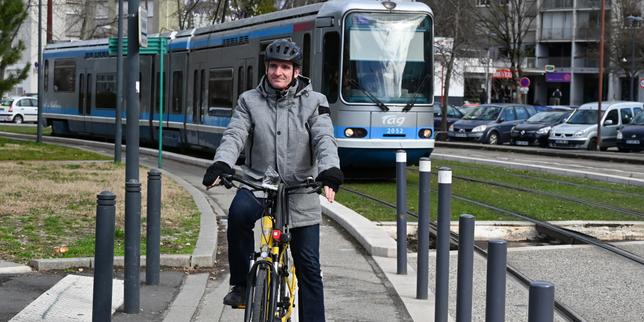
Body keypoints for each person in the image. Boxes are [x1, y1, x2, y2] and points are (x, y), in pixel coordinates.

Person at [202, 39, 342, 322]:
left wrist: (329, 170)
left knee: (309, 267)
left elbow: (324, 139)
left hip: (300, 188)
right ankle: (241, 285)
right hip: (259, 183)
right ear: (266, 68)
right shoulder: (249, 100)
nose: (278, 72)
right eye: (273, 66)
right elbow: (235, 135)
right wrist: (222, 162)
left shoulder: (316, 102)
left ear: (296, 71)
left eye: (285, 67)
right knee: (238, 215)